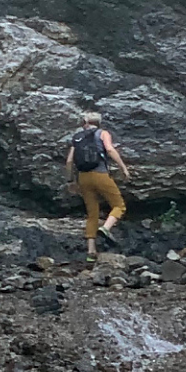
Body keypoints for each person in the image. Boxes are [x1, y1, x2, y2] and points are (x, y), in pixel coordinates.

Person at [65, 111, 131, 266]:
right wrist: (123, 168)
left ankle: (90, 252)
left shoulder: (77, 137)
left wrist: (70, 180)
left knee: (92, 213)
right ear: (99, 123)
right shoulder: (102, 133)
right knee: (119, 205)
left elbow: (69, 161)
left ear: (84, 122)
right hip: (100, 174)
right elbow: (109, 149)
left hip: (83, 177)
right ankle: (106, 228)